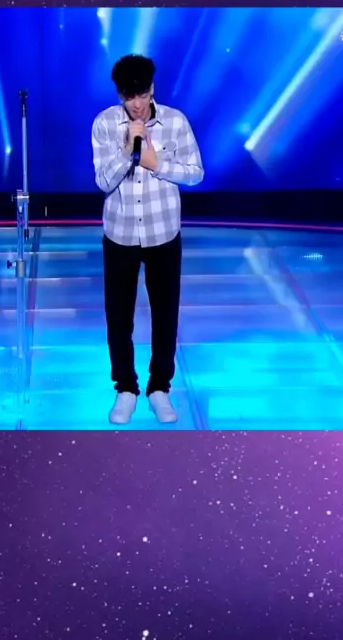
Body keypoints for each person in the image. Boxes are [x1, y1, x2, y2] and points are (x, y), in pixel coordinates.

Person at [91, 54, 204, 425]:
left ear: (152, 89)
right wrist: (129, 150)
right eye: (129, 96)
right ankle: (125, 388)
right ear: (119, 95)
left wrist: (157, 163)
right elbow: (103, 181)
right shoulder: (105, 124)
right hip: (120, 233)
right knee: (118, 317)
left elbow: (196, 173)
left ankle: (160, 389)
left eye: (142, 94)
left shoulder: (176, 122)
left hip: (163, 232)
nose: (137, 104)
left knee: (165, 314)